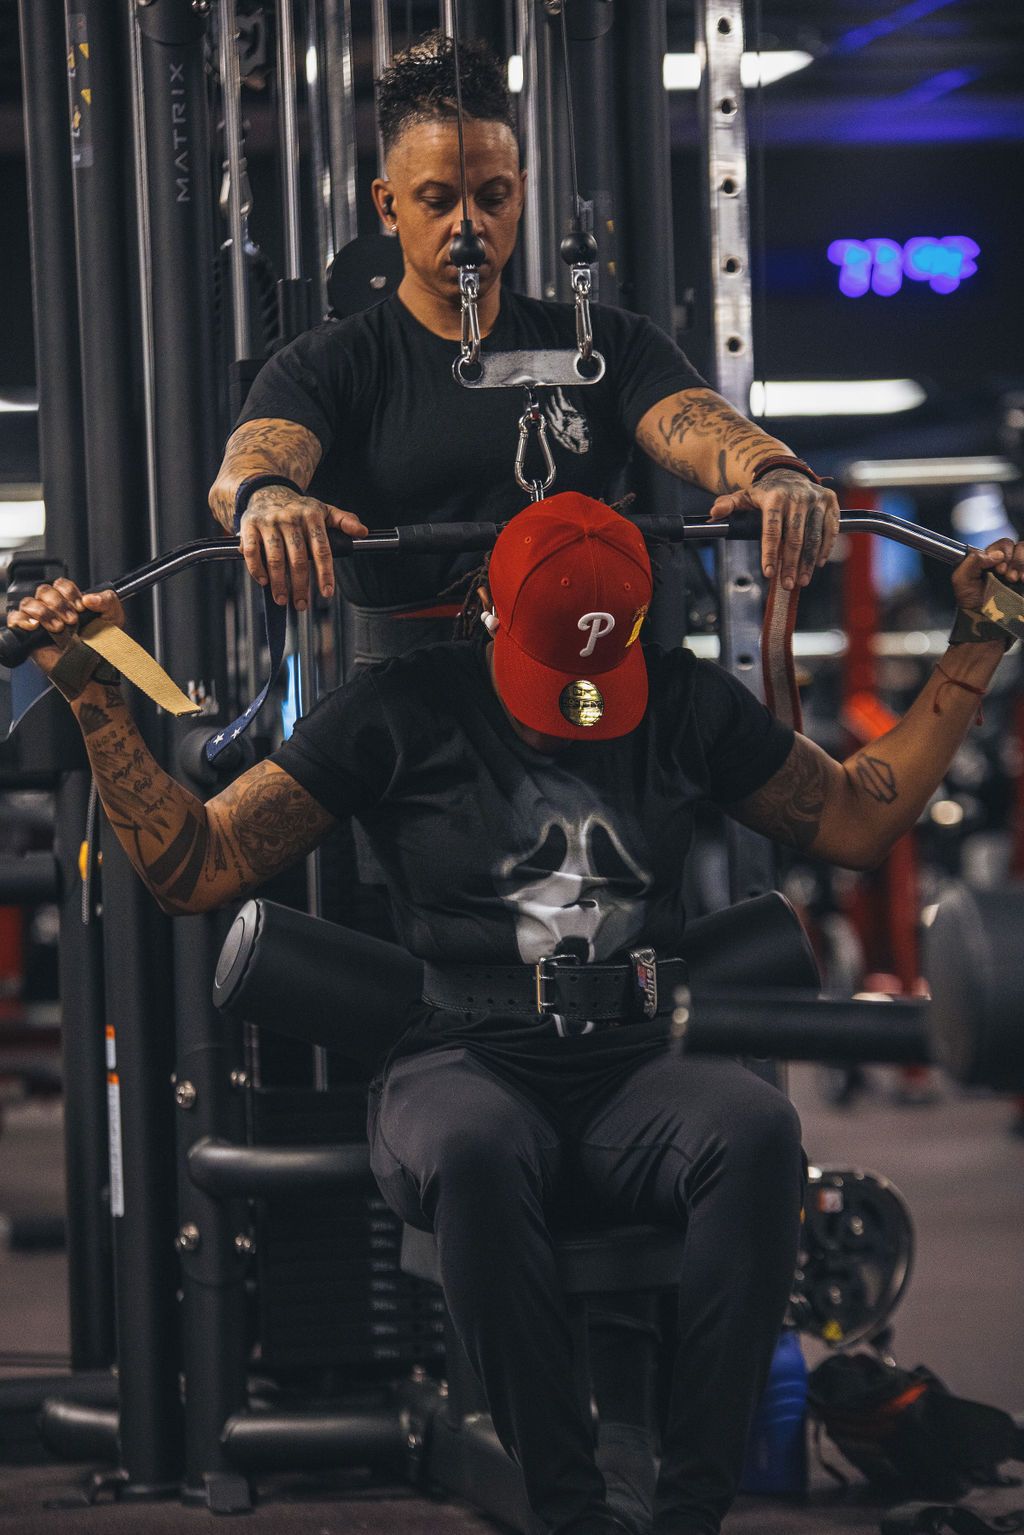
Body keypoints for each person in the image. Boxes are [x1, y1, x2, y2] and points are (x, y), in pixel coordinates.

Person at [9, 491, 1023, 1535]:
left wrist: (977, 639)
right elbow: (199, 865)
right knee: (479, 1142)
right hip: (459, 1055)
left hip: (637, 1062)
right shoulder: (400, 707)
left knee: (758, 1127)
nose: (581, 709)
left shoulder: (680, 702)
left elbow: (855, 818)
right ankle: (570, 1514)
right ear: (486, 609)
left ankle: (689, 1512)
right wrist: (96, 698)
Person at [207, 32, 840, 653]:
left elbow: (699, 425)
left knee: (762, 751)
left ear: (521, 191)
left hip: (582, 669)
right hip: (412, 693)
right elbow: (245, 470)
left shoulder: (604, 345)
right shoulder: (330, 363)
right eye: (437, 200)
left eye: (493, 197)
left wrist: (777, 472)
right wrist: (268, 498)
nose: (468, 226)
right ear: (389, 205)